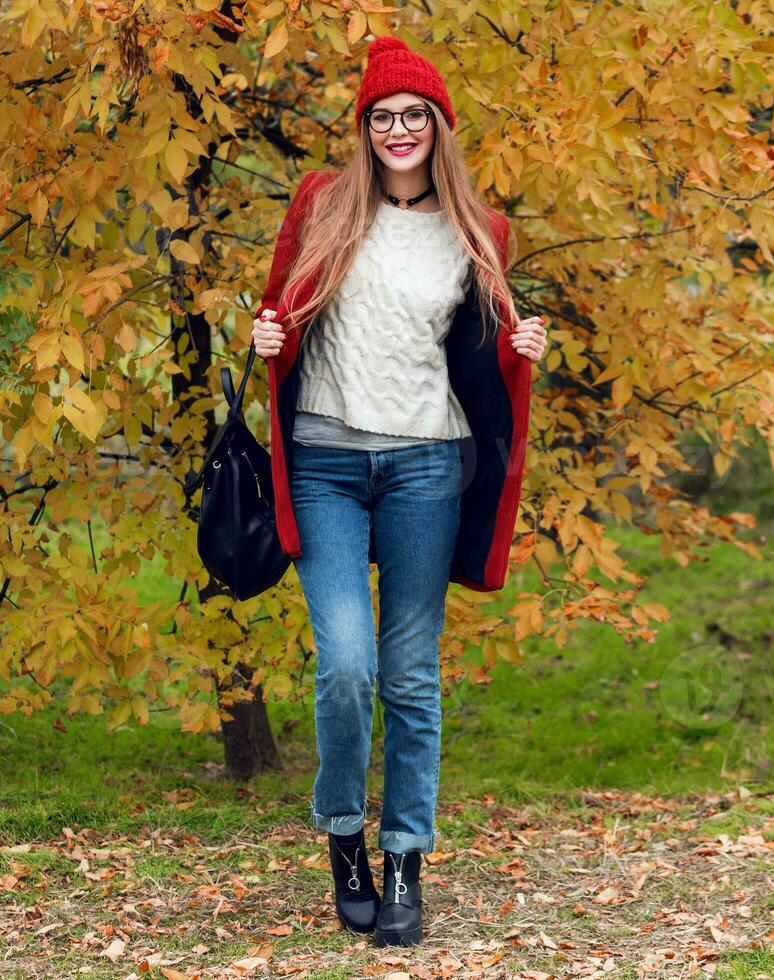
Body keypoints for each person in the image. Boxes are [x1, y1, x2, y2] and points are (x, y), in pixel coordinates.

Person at [249, 36, 548, 947]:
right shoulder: (322, 205)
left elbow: (478, 364)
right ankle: (345, 836)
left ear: (439, 128)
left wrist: (520, 351)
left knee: (411, 676)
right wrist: (262, 341)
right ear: (365, 129)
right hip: (325, 462)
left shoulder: (479, 232)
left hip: (426, 466)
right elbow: (276, 315)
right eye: (382, 117)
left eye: (414, 115)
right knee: (346, 665)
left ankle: (406, 862)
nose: (399, 130)